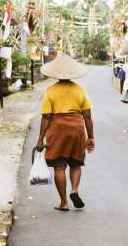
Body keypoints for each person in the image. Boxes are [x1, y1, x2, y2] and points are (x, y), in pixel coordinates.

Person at [36, 54, 95, 212]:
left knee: (59, 166)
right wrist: (91, 137)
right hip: (77, 128)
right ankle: (74, 190)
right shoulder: (80, 90)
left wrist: (40, 139)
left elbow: (46, 117)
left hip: (58, 130)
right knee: (76, 163)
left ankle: (63, 202)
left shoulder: (50, 91)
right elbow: (87, 115)